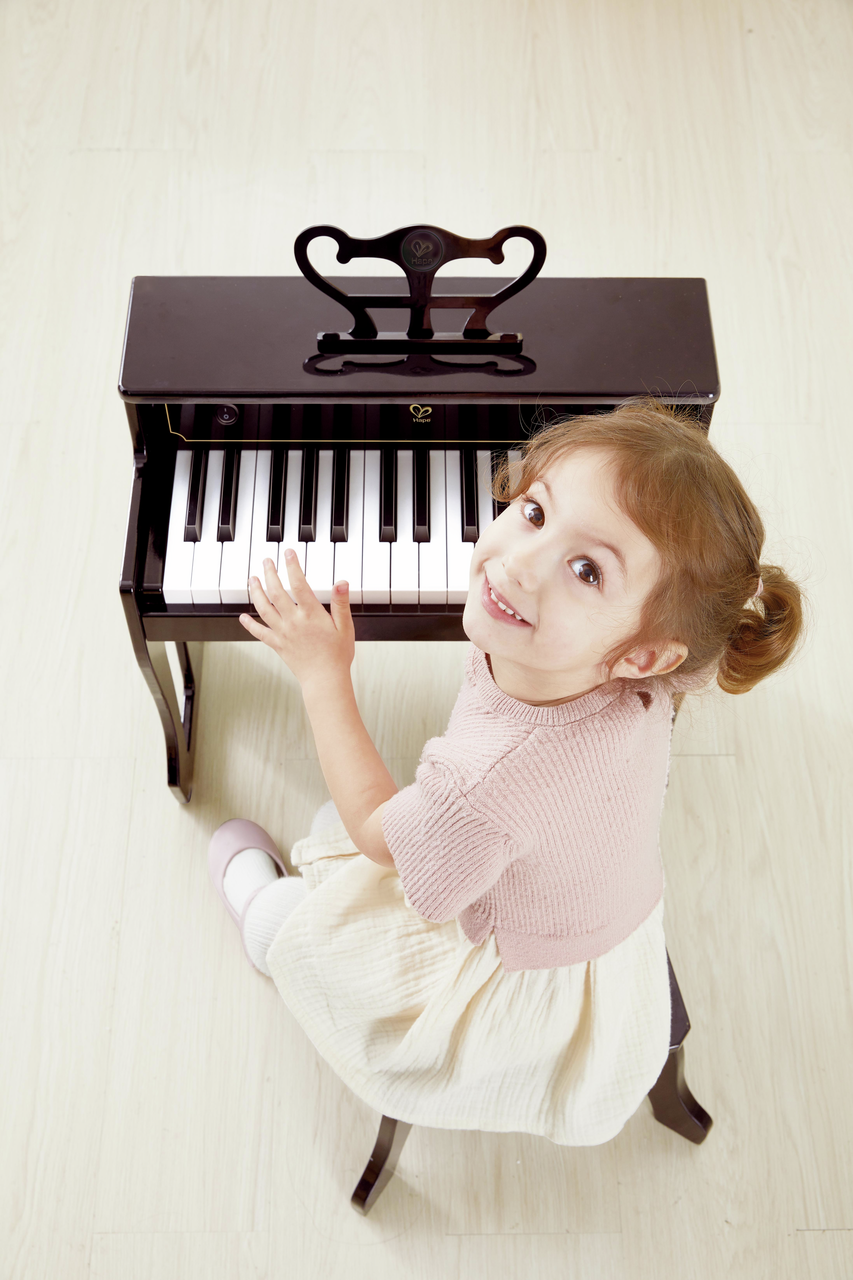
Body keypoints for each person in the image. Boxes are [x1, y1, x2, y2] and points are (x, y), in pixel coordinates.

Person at [208, 398, 806, 1146]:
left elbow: (377, 836)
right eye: (534, 512)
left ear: (643, 653)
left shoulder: (484, 784)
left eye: (586, 570)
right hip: (605, 922)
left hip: (513, 977)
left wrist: (322, 671)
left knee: (294, 924)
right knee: (384, 838)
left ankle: (267, 921)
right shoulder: (653, 677)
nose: (519, 564)